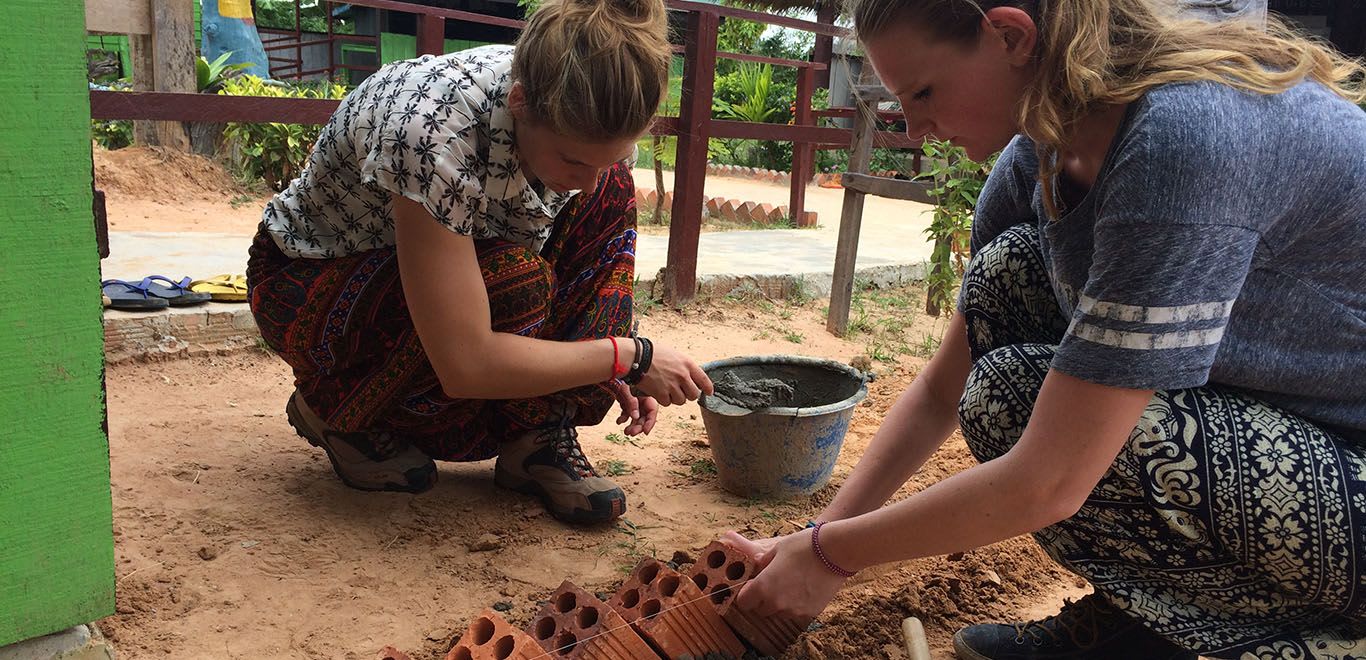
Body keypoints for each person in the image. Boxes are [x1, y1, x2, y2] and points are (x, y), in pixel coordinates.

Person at [726, 0, 1366, 658]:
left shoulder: (1184, 141)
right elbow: (944, 390)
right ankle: (1146, 625)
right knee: (1006, 283)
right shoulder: (1039, 157)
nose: (917, 129)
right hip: (1290, 426)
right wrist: (816, 538)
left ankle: (1315, 641)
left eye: (922, 92)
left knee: (1029, 409)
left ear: (1011, 36)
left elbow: (1052, 481)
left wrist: (832, 557)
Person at [245, 0, 713, 526]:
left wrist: (607, 358)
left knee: (608, 195)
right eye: (573, 159)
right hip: (311, 283)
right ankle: (334, 406)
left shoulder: (581, 109)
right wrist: (625, 356)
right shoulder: (429, 135)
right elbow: (466, 363)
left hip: (451, 261)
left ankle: (536, 438)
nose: (587, 178)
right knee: (512, 284)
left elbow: (590, 233)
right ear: (519, 103)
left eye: (610, 155)